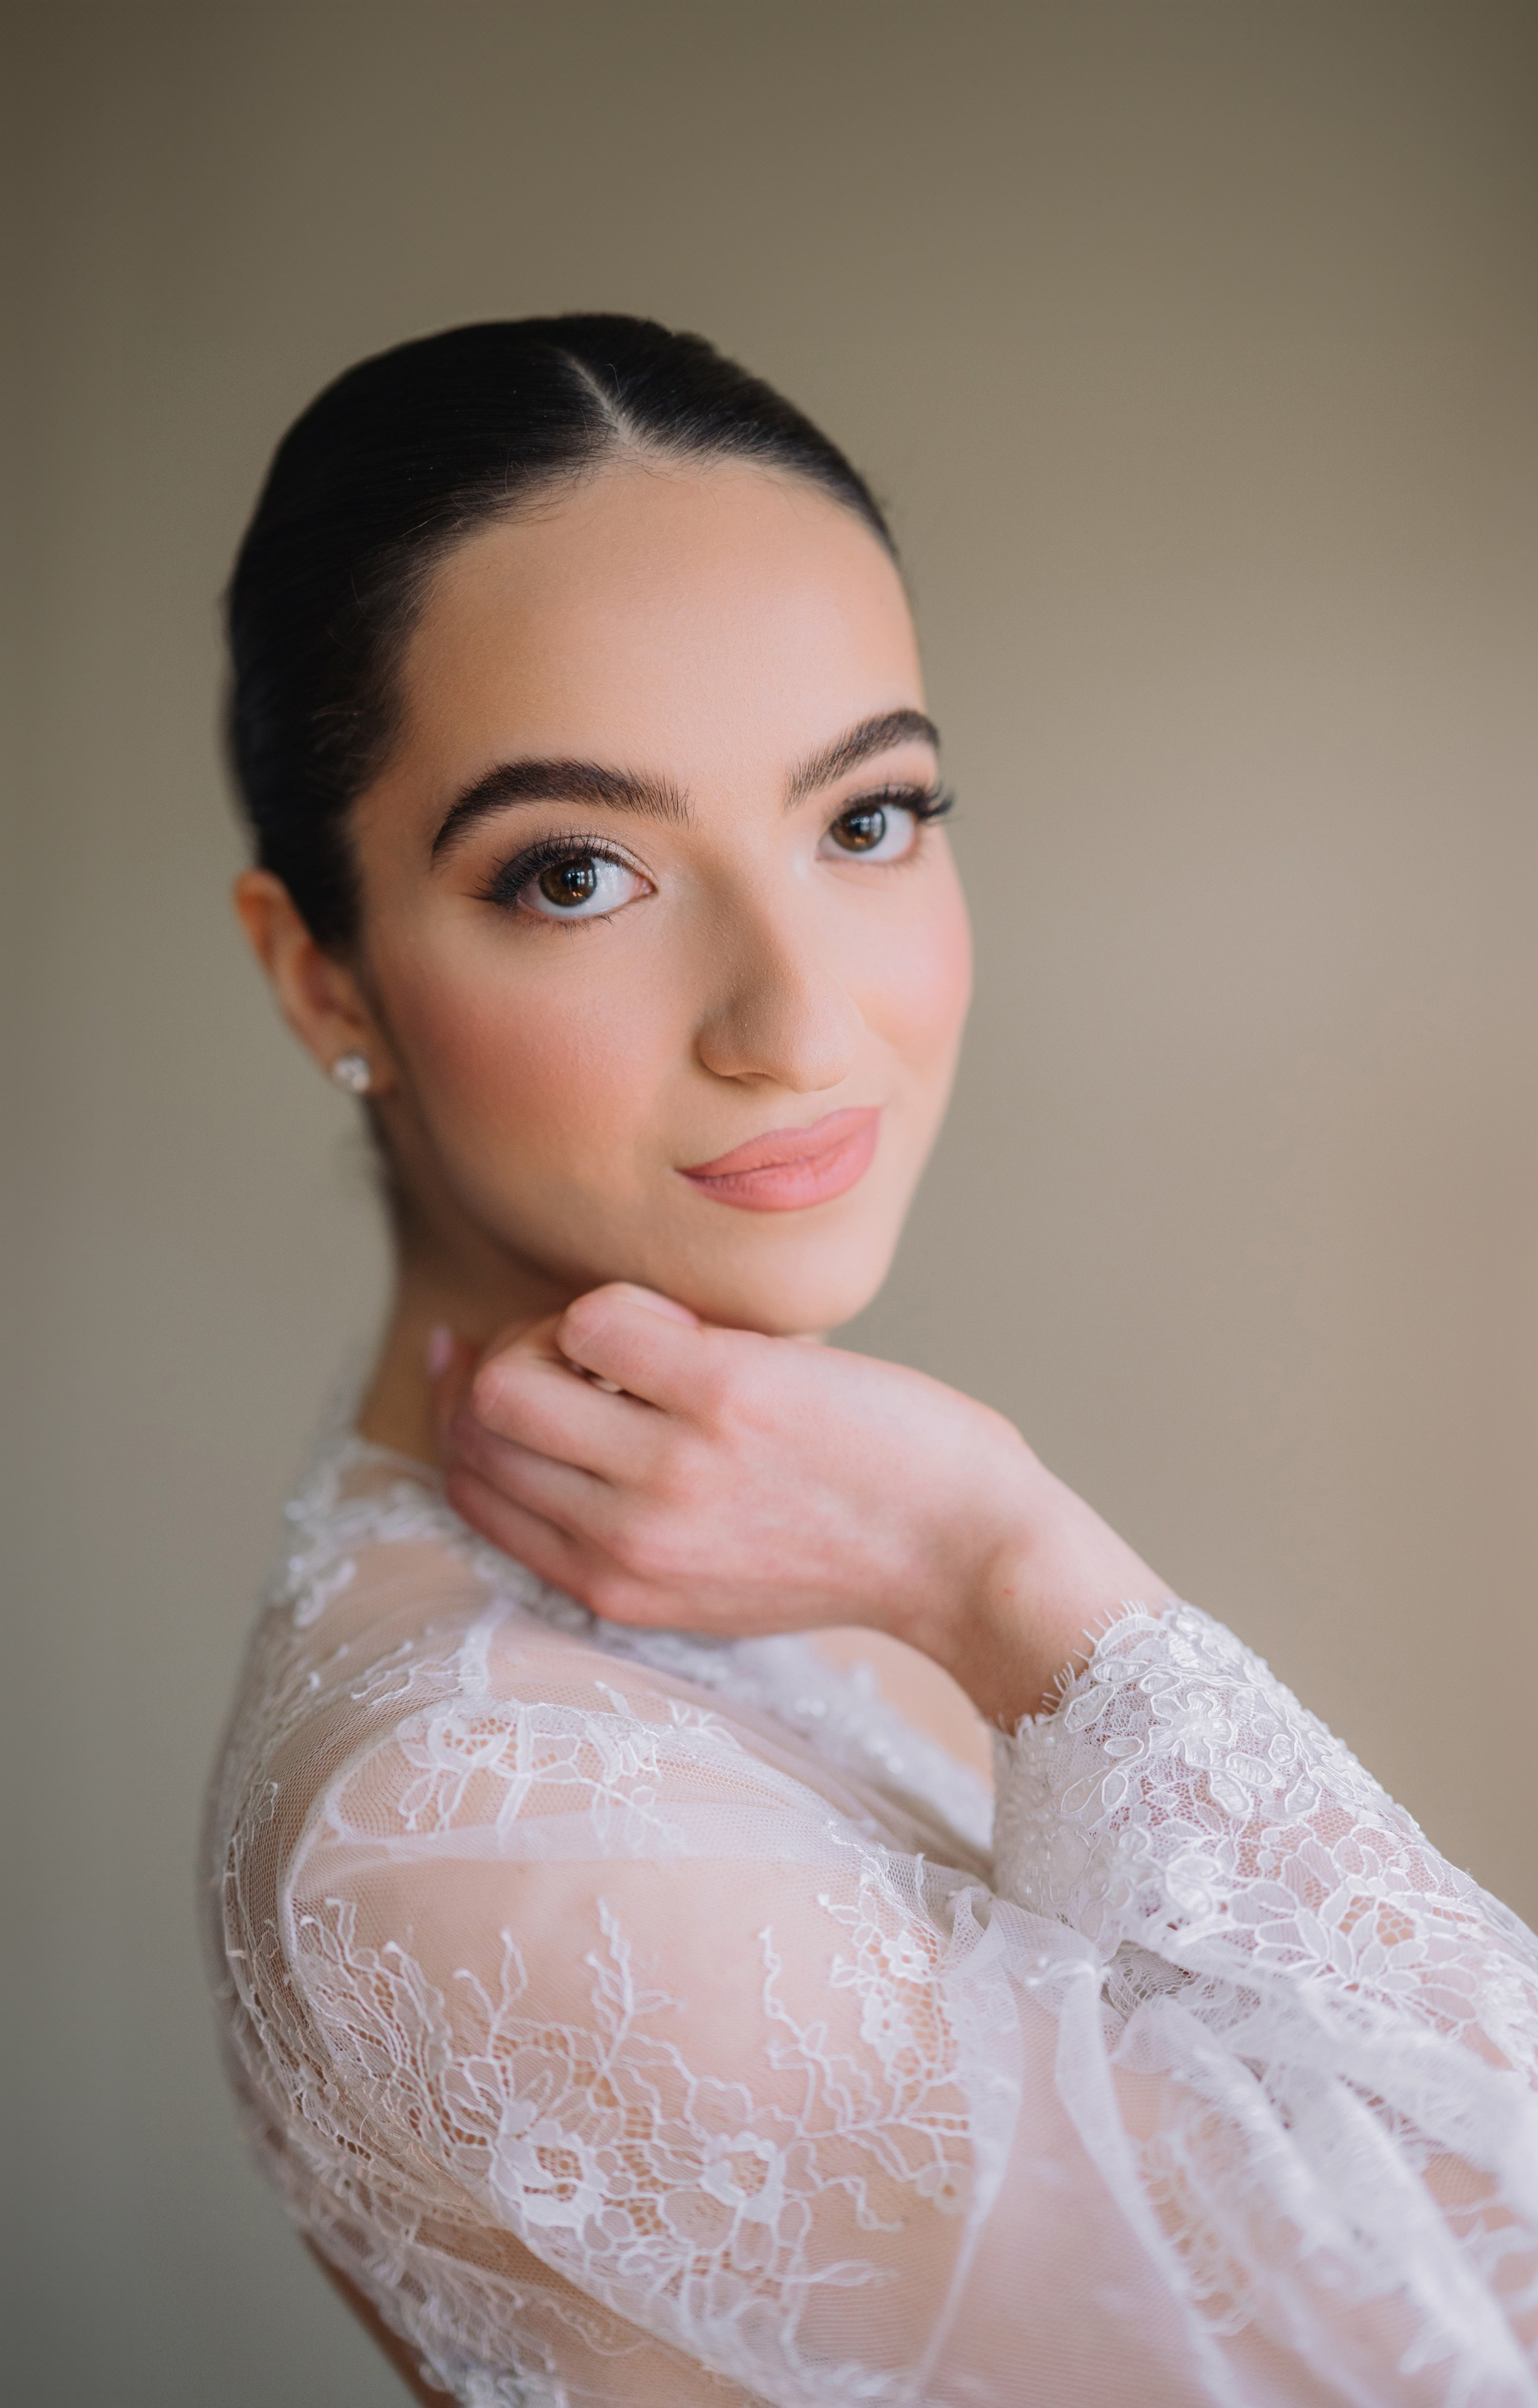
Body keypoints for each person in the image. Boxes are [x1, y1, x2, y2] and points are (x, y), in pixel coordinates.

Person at [204, 317, 1538, 2408]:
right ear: (319, 974)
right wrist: (1009, 1568)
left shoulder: (739, 1528)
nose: (799, 1020)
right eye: (580, 871)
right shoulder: (485, 1831)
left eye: (870, 816)